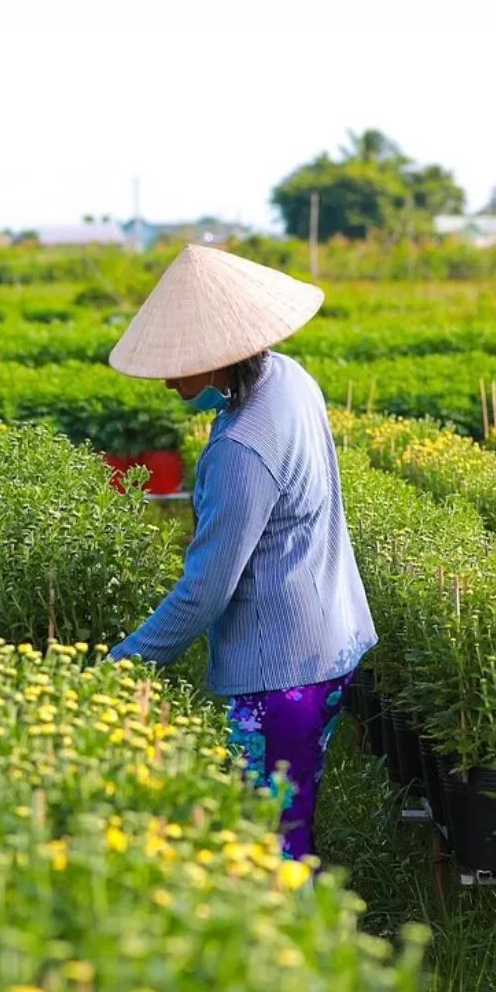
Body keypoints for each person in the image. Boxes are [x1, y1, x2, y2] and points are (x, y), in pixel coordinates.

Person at [105, 244, 375, 862]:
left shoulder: (242, 448)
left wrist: (126, 664)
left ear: (219, 357)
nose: (169, 380)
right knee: (288, 823)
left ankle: (292, 952)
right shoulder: (289, 378)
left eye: (179, 365)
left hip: (286, 669)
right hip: (328, 641)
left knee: (268, 842)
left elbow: (206, 589)